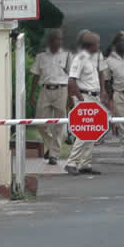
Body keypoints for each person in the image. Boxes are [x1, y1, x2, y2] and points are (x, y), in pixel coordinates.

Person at [66, 30, 108, 175]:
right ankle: (71, 162)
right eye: (97, 44)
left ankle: (85, 163)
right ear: (90, 45)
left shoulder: (93, 58)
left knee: (92, 131)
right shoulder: (80, 58)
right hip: (85, 97)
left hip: (93, 97)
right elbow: (71, 80)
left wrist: (101, 92)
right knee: (84, 131)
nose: (99, 46)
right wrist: (80, 98)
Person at [29, 30, 72, 165]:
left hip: (61, 90)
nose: (59, 42)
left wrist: (70, 97)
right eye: (56, 40)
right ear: (50, 42)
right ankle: (52, 145)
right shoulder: (41, 57)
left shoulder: (67, 55)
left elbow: (71, 77)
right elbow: (35, 76)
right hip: (45, 91)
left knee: (60, 123)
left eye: (60, 40)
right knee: (40, 123)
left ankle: (54, 154)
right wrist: (32, 95)